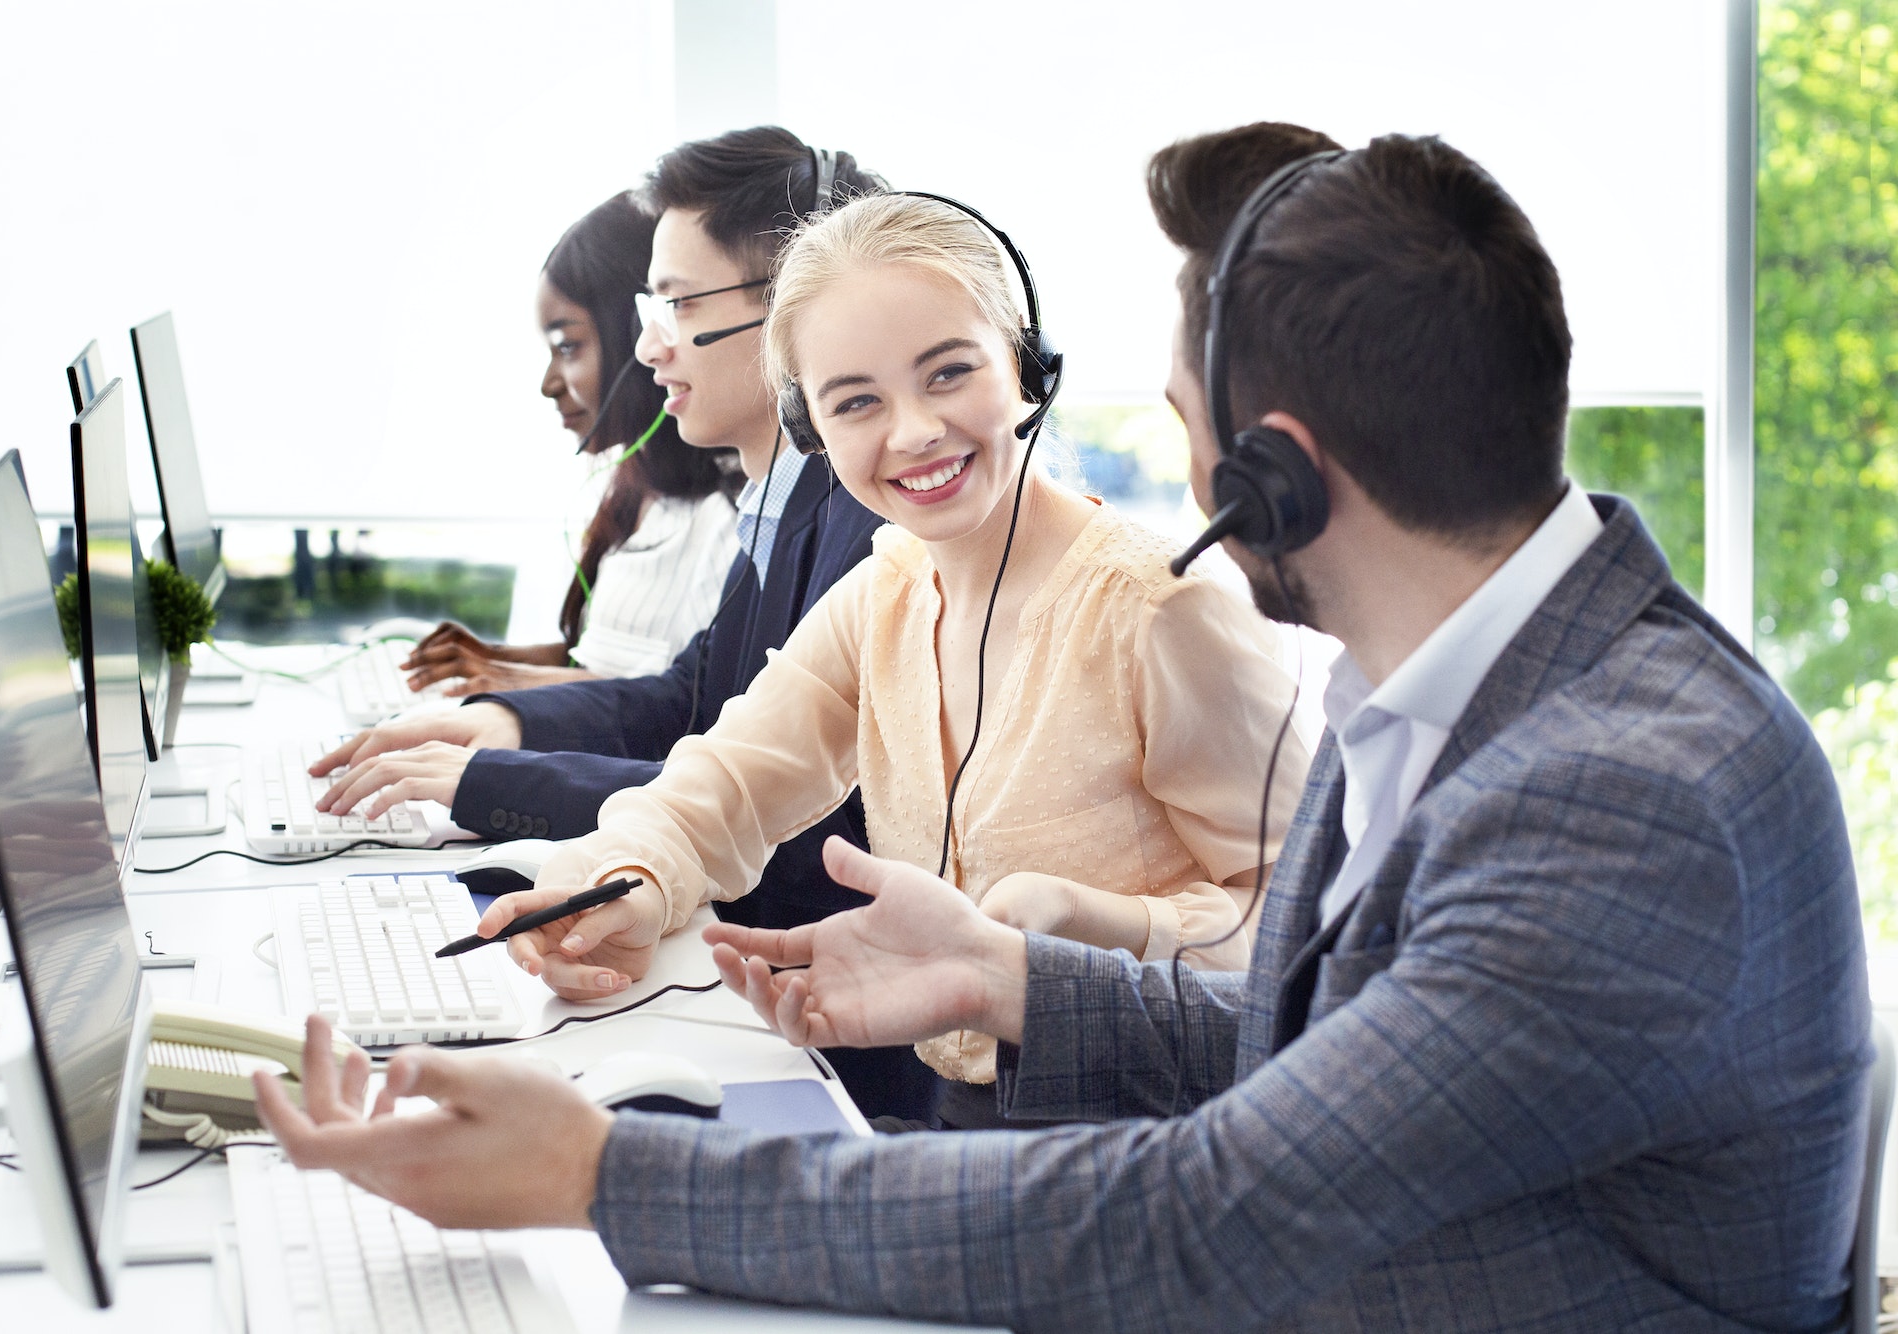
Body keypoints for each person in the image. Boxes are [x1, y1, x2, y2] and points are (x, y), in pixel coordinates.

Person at [259, 128, 1872, 1331]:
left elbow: (1214, 1210)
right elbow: (1314, 1070)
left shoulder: (1620, 791)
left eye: (1185, 429)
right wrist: (1017, 975)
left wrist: (612, 1173)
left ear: (1277, 471)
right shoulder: (1443, 692)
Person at [469, 189, 1305, 1127]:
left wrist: (1093, 924)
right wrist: (625, 878)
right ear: (812, 429)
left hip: (1158, 1133)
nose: (911, 432)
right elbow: (729, 781)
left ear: (1028, 367)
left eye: (948, 374)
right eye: (856, 400)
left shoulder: (1162, 614)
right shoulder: (890, 588)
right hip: (966, 1120)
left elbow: (1308, 938)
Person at [309, 127, 939, 1121]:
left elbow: (799, 818)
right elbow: (690, 699)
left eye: (678, 306)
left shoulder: (879, 528)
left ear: (793, 316)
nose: (649, 346)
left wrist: (490, 777)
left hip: (869, 1072)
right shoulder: (790, 499)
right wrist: (497, 724)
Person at [400, 192, 743, 696]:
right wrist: (489, 659)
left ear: (637, 335)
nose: (549, 383)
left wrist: (505, 679)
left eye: (567, 347)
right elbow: (602, 661)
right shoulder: (632, 493)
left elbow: (681, 709)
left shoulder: (730, 520)